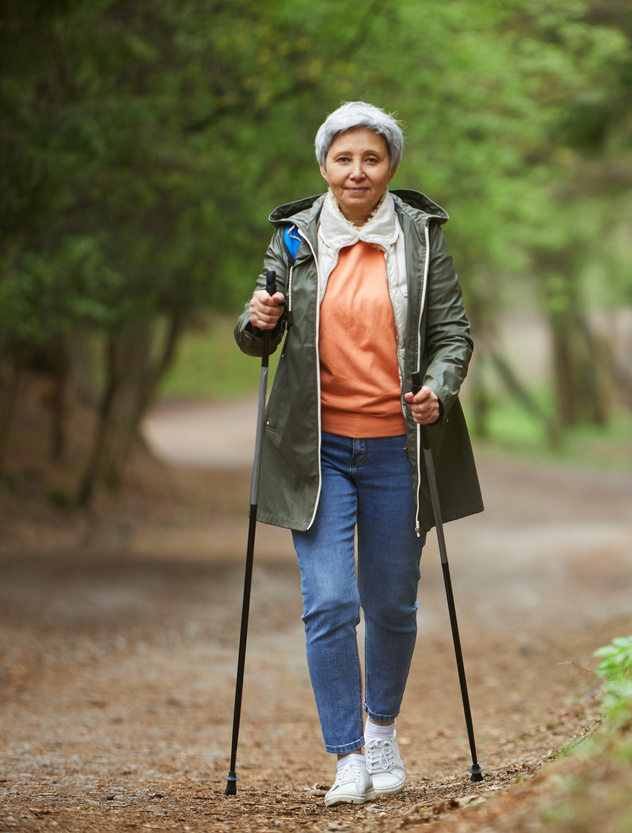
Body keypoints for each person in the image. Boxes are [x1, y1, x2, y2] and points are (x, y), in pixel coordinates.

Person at [234, 101, 483, 807]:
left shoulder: (422, 238)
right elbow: (258, 334)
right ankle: (345, 753)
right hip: (316, 452)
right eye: (344, 158)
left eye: (371, 158)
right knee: (332, 601)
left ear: (391, 167)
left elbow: (453, 334)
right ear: (324, 166)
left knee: (392, 603)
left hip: (397, 448)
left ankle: (381, 731)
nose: (357, 171)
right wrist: (257, 320)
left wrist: (437, 388)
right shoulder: (293, 239)